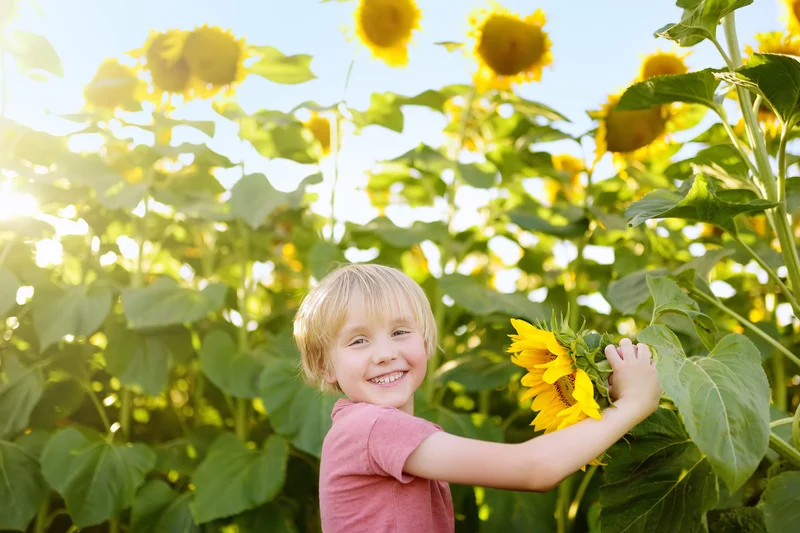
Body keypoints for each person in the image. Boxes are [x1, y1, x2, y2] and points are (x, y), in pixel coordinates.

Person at [293, 263, 661, 533]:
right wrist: (633, 403)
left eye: (400, 331)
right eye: (359, 341)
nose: (385, 352)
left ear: (425, 340)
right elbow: (535, 469)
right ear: (326, 366)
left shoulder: (373, 430)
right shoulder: (372, 427)